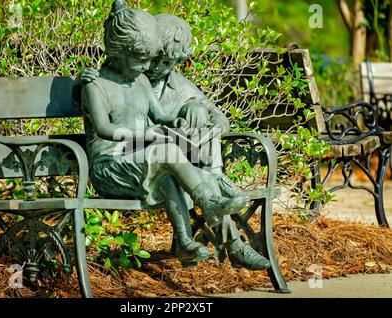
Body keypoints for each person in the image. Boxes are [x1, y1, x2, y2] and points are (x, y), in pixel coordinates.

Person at [78, 0, 271, 270]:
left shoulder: (144, 79)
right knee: (169, 155)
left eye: (157, 60)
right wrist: (150, 134)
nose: (150, 66)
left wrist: (185, 118)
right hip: (115, 166)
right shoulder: (101, 83)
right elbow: (104, 126)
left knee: (189, 172)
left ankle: (196, 242)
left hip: (147, 161)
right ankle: (212, 208)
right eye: (144, 59)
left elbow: (166, 117)